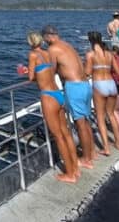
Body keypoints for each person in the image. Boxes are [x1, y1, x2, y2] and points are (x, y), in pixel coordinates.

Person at [17, 32, 79, 183]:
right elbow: (47, 72)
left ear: (30, 43)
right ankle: (75, 168)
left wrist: (24, 72)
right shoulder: (47, 53)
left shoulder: (33, 55)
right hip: (58, 93)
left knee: (58, 136)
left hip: (48, 96)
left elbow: (32, 77)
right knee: (66, 133)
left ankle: (70, 174)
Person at [41, 24, 96, 168]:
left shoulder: (53, 49)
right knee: (86, 122)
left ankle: (86, 159)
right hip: (85, 85)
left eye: (44, 39)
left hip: (74, 87)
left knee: (80, 124)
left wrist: (35, 72)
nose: (45, 42)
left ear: (48, 36)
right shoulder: (67, 45)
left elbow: (51, 71)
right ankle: (91, 153)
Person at [84, 31, 119, 155]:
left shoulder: (90, 54)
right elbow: (118, 72)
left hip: (99, 84)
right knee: (111, 114)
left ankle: (106, 148)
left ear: (90, 41)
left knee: (100, 118)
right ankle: (118, 143)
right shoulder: (109, 54)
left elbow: (87, 72)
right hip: (111, 84)